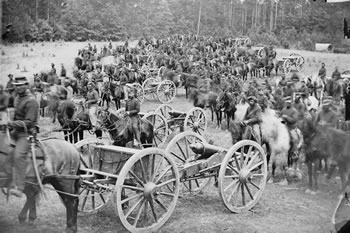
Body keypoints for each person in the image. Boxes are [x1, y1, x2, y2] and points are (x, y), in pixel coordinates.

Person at [7, 76, 39, 197]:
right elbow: (16, 117)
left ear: (26, 85)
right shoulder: (17, 98)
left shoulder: (31, 101)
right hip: (16, 131)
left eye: (21, 85)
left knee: (18, 155)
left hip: (27, 133)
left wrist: (10, 123)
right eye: (16, 85)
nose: (18, 87)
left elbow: (29, 122)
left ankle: (20, 188)